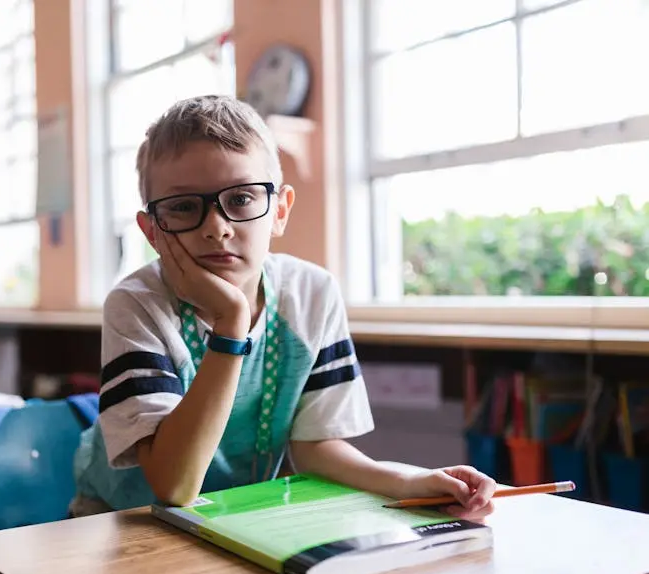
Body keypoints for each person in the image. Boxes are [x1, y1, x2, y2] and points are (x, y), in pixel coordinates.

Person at [70, 95, 496, 520]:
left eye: (240, 199)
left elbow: (313, 448)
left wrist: (410, 482)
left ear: (280, 210)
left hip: (234, 517)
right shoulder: (136, 305)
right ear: (152, 231)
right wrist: (231, 324)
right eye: (183, 207)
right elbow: (174, 486)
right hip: (120, 519)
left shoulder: (311, 293)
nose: (216, 228)